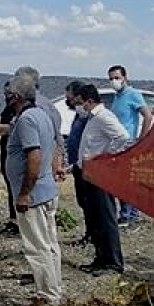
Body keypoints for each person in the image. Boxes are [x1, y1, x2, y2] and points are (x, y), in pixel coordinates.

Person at [3, 74, 62, 306]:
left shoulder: (27, 120)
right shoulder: (41, 115)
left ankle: (47, 295)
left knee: (37, 247)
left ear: (15, 96)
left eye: (8, 94)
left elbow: (34, 156)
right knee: (49, 244)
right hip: (46, 191)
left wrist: (25, 193)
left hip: (35, 196)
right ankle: (54, 290)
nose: (5, 98)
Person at [73, 83, 130, 274]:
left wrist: (106, 157)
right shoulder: (92, 118)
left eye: (80, 103)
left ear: (89, 101)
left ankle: (113, 262)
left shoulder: (104, 117)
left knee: (105, 218)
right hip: (88, 173)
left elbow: (122, 136)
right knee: (95, 219)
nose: (78, 106)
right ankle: (101, 258)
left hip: (100, 175)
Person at [108, 64, 153, 224]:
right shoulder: (117, 97)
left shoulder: (133, 94)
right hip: (118, 142)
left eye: (117, 78)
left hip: (128, 142)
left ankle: (129, 215)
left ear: (125, 78)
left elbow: (147, 115)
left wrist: (142, 139)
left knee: (125, 180)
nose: (114, 81)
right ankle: (128, 213)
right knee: (121, 180)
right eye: (111, 78)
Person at [14, 66, 66, 182]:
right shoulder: (49, 105)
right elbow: (57, 138)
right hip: (47, 165)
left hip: (35, 169)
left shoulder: (31, 108)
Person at [63, 80, 92, 247]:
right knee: (83, 201)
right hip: (77, 165)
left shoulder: (87, 116)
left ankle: (92, 234)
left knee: (88, 202)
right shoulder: (79, 115)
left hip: (86, 166)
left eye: (70, 97)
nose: (69, 101)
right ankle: (89, 233)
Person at [0, 81, 19, 235]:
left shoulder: (23, 110)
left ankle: (19, 221)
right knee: (10, 186)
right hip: (6, 151)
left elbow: (8, 127)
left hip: (16, 153)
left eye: (8, 92)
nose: (6, 95)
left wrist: (4, 128)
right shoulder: (8, 108)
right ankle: (13, 219)